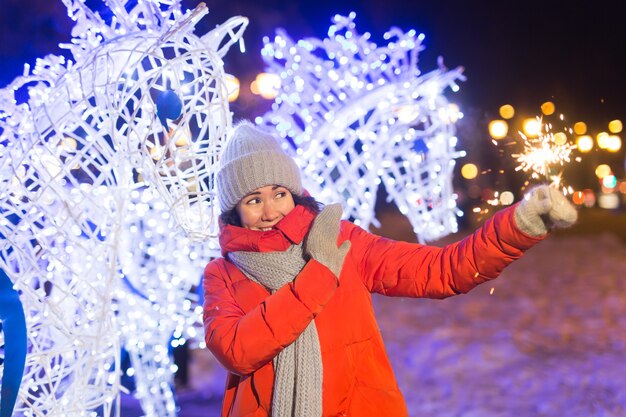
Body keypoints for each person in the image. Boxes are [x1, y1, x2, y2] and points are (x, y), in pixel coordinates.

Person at [202, 121, 577, 417]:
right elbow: (236, 350)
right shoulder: (223, 274)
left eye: (279, 194)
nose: (270, 212)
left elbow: (441, 270)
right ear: (235, 209)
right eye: (254, 200)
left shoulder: (340, 241)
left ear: (294, 193)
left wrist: (519, 227)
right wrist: (317, 277)